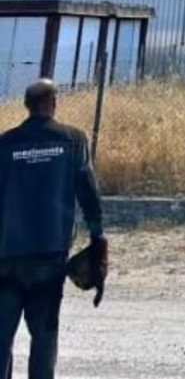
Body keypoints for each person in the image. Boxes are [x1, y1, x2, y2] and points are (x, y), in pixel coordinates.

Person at [0, 79, 106, 379]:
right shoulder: (72, 140)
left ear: (26, 106)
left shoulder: (4, 145)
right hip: (48, 256)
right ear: (53, 104)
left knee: (0, 338)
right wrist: (99, 239)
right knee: (44, 339)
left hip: (6, 256)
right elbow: (89, 195)